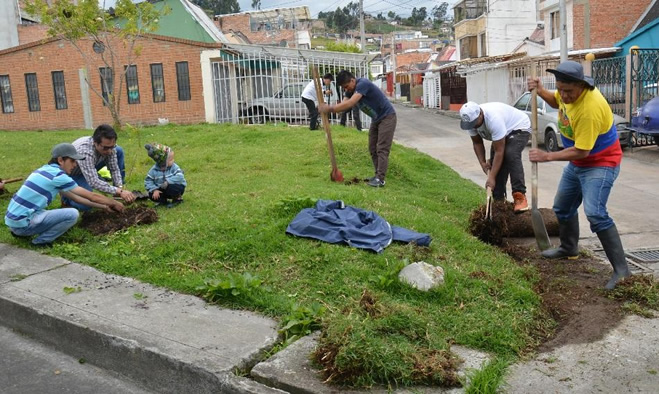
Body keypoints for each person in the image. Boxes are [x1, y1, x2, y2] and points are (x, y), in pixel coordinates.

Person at [528, 60, 630, 290]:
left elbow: (582, 151)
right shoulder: (567, 94)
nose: (564, 95)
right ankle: (569, 248)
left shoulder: (589, 108)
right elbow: (558, 102)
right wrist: (542, 91)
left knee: (595, 213)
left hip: (600, 163)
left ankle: (622, 271)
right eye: (560, 89)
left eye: (569, 91)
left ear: (582, 87)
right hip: (578, 163)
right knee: (562, 207)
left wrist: (547, 156)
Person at [5, 143, 124, 247]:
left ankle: (19, 232)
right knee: (72, 214)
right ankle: (41, 241)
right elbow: (91, 196)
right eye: (72, 161)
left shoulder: (45, 170)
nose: (75, 165)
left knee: (62, 211)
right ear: (61, 160)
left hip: (14, 222)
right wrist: (113, 202)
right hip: (22, 224)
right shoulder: (58, 176)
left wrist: (104, 207)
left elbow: (76, 198)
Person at [319, 70, 396, 188]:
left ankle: (380, 179)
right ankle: (377, 176)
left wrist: (330, 108)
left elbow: (351, 103)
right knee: (372, 148)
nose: (346, 89)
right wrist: (329, 109)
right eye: (343, 88)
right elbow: (344, 104)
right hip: (376, 119)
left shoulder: (362, 84)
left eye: (346, 86)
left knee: (382, 148)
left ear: (352, 80)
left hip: (387, 117)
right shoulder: (350, 90)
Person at [459, 101, 531, 213]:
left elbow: (499, 151)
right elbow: (477, 143)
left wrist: (491, 177)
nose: (473, 127)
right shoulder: (470, 121)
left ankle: (519, 196)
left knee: (510, 153)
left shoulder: (493, 119)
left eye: (474, 123)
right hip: (502, 132)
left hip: (519, 127)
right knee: (496, 167)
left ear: (480, 115)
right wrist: (483, 163)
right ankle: (499, 202)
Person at [61, 124, 136, 210]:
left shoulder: (109, 147)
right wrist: (120, 192)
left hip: (91, 165)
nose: (109, 151)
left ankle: (117, 195)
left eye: (112, 147)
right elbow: (93, 182)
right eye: (106, 148)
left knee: (119, 150)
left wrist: (119, 189)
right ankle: (66, 197)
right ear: (95, 142)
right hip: (74, 173)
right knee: (85, 206)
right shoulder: (86, 152)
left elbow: (114, 169)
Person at [144, 143, 187, 208]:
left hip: (174, 187)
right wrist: (154, 189)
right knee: (151, 194)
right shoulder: (153, 170)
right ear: (163, 162)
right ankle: (163, 201)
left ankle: (177, 199)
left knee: (173, 188)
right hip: (161, 189)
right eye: (170, 160)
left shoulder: (174, 167)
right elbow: (148, 181)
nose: (173, 161)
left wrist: (168, 182)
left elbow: (180, 176)